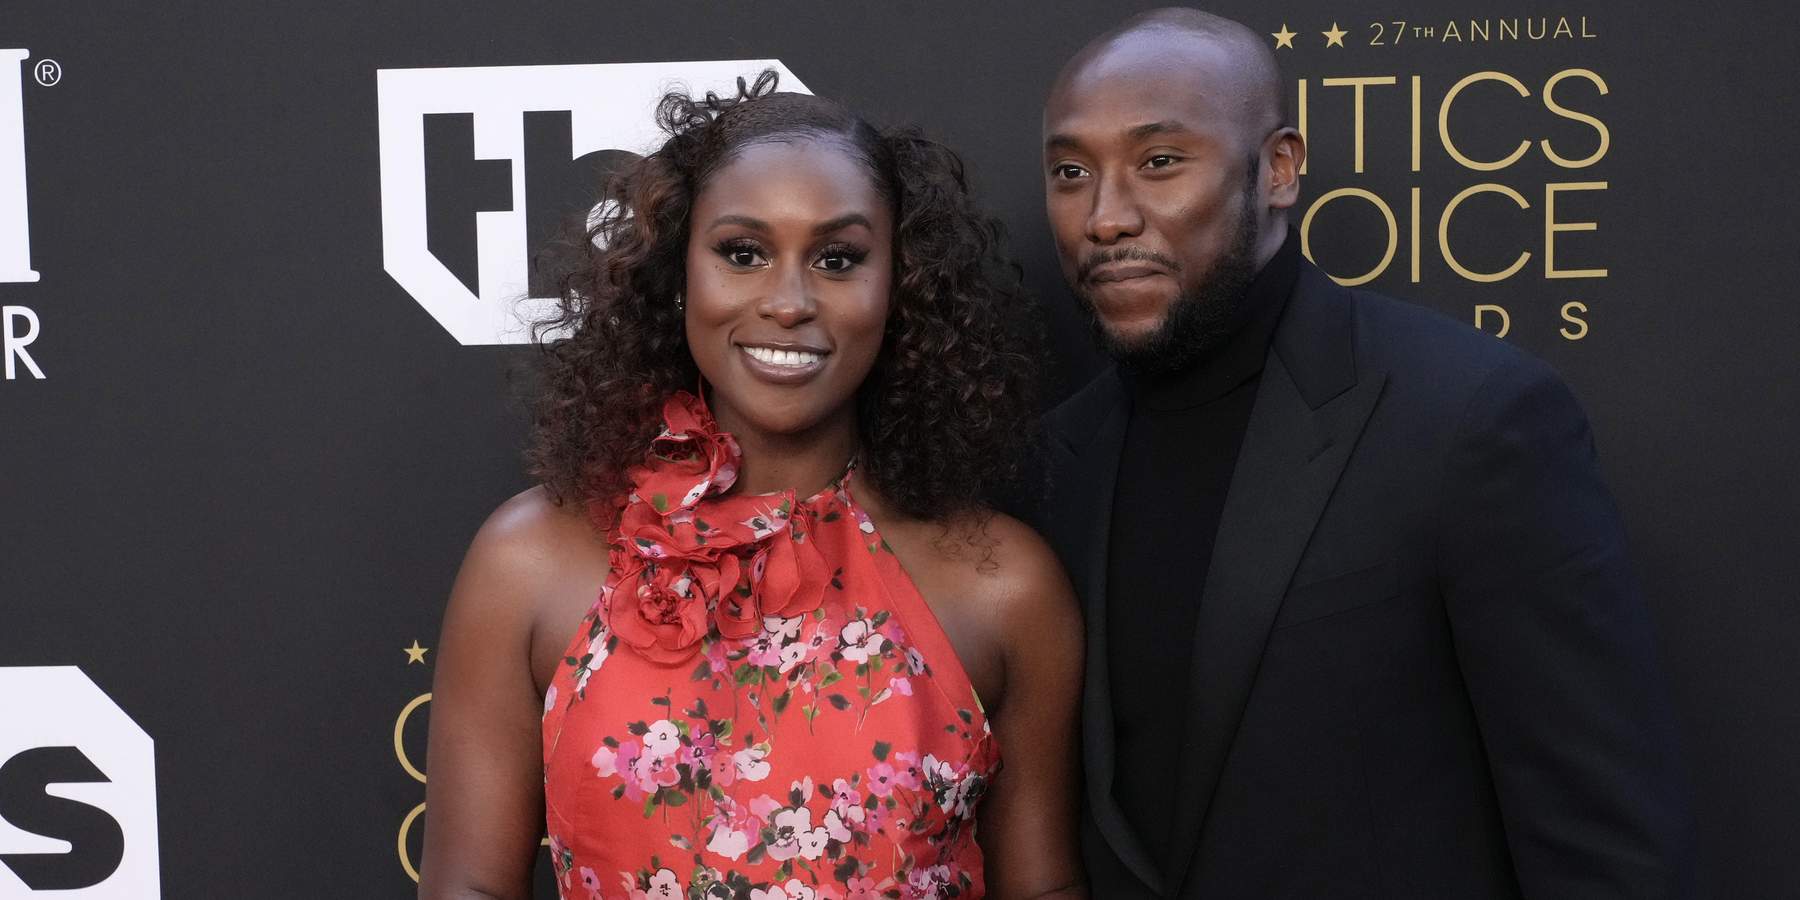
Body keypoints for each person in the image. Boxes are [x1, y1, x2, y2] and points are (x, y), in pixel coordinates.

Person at [1032, 9, 1695, 899]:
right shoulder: (1050, 465)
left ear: (1277, 169)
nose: (1106, 217)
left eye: (1159, 162)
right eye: (1072, 173)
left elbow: (1606, 847)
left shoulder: (1472, 421)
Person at [418, 74, 1085, 900]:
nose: (789, 302)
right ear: (677, 272)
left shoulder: (1003, 586)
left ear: (900, 289)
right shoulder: (528, 562)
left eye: (839, 259)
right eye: (743, 252)